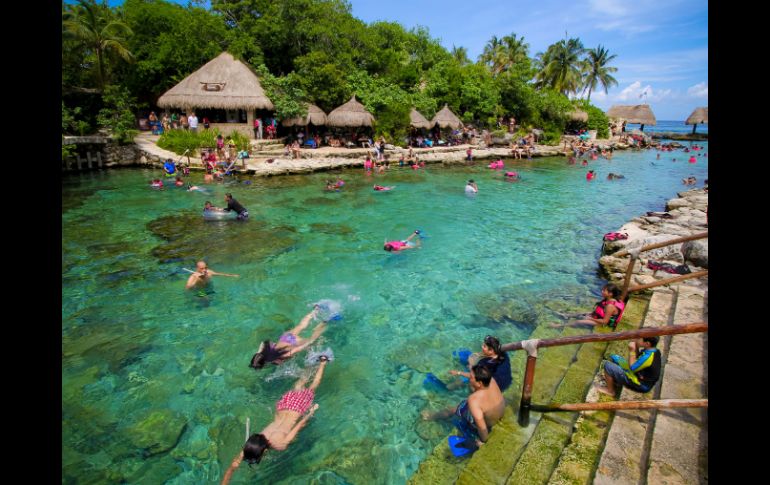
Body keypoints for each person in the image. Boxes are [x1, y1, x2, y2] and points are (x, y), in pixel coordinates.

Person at [221, 356, 330, 484]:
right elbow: (233, 467)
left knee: (313, 386)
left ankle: (323, 363)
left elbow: (299, 425)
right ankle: (310, 362)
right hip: (284, 406)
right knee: (299, 385)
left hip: (297, 409)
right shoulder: (256, 441)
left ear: (265, 451)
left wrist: (310, 412)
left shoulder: (280, 445)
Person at [422, 364, 505, 448]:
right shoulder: (491, 380)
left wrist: (483, 441)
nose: (469, 379)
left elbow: (481, 426)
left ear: (479, 383)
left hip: (487, 424)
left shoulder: (474, 400)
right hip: (498, 413)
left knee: (453, 410)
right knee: (471, 391)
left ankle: (432, 416)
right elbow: (474, 377)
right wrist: (459, 373)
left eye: (471, 378)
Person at [249, 306, 329, 369]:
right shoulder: (261, 352)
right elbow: (264, 342)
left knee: (312, 339)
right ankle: (316, 309)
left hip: (294, 343)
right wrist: (259, 352)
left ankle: (325, 321)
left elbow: (295, 350)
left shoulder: (275, 359)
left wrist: (308, 343)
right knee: (301, 326)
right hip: (285, 338)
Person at [595, 336, 661, 397]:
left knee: (608, 366)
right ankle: (616, 381)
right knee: (615, 357)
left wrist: (632, 351)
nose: (636, 339)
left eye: (639, 338)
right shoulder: (653, 350)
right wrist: (636, 346)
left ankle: (610, 391)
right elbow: (638, 359)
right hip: (640, 374)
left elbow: (632, 367)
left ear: (647, 343)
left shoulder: (648, 357)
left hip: (641, 384)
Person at [552, 283, 626, 329]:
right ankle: (567, 315)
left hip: (603, 323)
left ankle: (558, 326)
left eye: (604, 291)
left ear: (610, 294)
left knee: (578, 322)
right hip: (600, 317)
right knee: (582, 312)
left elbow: (604, 322)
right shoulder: (610, 299)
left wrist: (590, 319)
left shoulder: (610, 306)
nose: (602, 292)